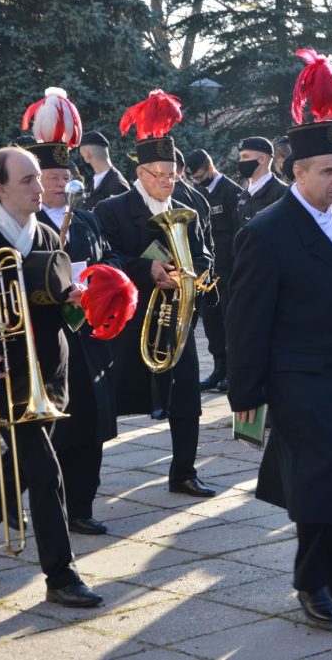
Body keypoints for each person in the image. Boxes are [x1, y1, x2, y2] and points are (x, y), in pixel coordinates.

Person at [228, 56, 332, 623]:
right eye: (326, 171)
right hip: (297, 379)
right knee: (319, 481)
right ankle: (310, 583)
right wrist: (246, 391)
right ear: (297, 173)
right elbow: (246, 318)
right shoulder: (266, 233)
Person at [0, 146, 102, 607]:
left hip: (51, 371)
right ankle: (61, 576)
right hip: (4, 375)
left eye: (38, 180)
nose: (39, 187)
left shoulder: (46, 233)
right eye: (27, 180)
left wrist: (78, 301)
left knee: (24, 466)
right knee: (45, 471)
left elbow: (60, 305)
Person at [95, 90, 215, 498]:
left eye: (172, 174)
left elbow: (204, 255)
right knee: (107, 398)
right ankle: (83, 484)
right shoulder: (111, 210)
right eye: (159, 175)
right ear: (141, 173)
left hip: (177, 319)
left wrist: (193, 273)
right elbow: (105, 257)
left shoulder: (189, 207)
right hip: (132, 320)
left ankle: (183, 471)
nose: (167, 182)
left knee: (187, 400)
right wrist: (147, 269)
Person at [28, 129, 121, 536]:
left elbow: (109, 257)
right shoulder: (23, 227)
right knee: (52, 430)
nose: (61, 184)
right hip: (45, 341)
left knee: (92, 422)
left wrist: (103, 281)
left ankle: (82, 504)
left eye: (65, 176)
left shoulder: (86, 219)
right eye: (52, 178)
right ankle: (48, 502)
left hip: (88, 338)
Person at [188, 149, 243, 392]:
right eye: (194, 179)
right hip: (208, 273)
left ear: (210, 167)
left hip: (229, 271)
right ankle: (219, 368)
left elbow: (238, 233)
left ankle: (233, 370)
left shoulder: (232, 192)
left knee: (230, 321)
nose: (197, 181)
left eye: (200, 176)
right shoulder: (198, 193)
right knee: (211, 323)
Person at [236, 137, 288, 223]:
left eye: (245, 157)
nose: (241, 161)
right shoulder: (243, 196)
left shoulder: (282, 193)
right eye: (240, 157)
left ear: (262, 159)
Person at [78, 131, 129, 211]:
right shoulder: (92, 185)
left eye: (82, 155)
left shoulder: (117, 186)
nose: (82, 158)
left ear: (88, 155)